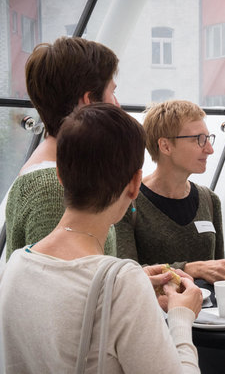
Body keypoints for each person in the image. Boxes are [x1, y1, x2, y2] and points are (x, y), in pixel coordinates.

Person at [0, 103, 202, 373]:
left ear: (60, 174)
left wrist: (138, 287)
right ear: (134, 184)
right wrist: (181, 317)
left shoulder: (16, 265)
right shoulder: (122, 283)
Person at [5, 36, 120, 259]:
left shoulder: (58, 175)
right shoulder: (53, 188)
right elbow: (61, 289)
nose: (117, 104)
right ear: (89, 101)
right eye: (112, 92)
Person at [116, 100, 225, 284]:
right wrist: (189, 269)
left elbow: (218, 273)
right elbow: (126, 276)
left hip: (208, 311)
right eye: (199, 139)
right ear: (165, 146)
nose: (209, 149)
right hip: (155, 312)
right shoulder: (127, 202)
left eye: (208, 138)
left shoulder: (210, 200)